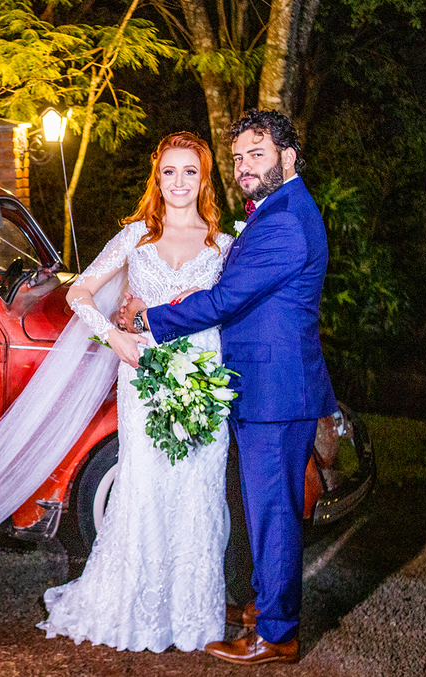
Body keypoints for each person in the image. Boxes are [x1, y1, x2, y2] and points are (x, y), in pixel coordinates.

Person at [121, 109, 336, 665]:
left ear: (288, 157)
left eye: (256, 155)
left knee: (274, 515)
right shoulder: (280, 210)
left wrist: (150, 318)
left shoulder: (285, 221)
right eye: (238, 158)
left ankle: (277, 634)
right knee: (266, 510)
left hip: (274, 391)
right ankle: (266, 608)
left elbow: (224, 300)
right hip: (268, 387)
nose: (243, 167)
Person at [37, 131, 233, 652]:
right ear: (157, 179)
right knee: (144, 485)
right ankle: (134, 611)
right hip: (143, 376)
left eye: (189, 171)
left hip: (204, 378)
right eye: (169, 171)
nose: (179, 182)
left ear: (204, 179)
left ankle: (192, 616)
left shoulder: (223, 246)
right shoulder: (135, 238)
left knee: (197, 489)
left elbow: (232, 308)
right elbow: (79, 291)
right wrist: (114, 335)